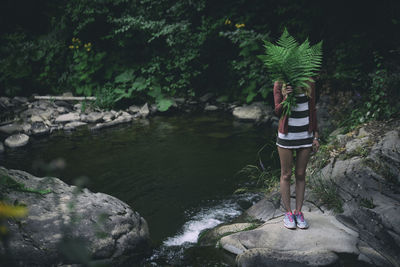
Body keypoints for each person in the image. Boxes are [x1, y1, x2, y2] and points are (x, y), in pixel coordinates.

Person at [273, 79, 320, 229]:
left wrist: (316, 136)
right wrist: (286, 97)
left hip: (305, 134)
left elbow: (312, 110)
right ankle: (288, 213)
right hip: (287, 136)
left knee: (300, 174)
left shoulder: (309, 82)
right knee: (286, 174)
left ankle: (298, 212)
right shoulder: (280, 83)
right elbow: (277, 111)